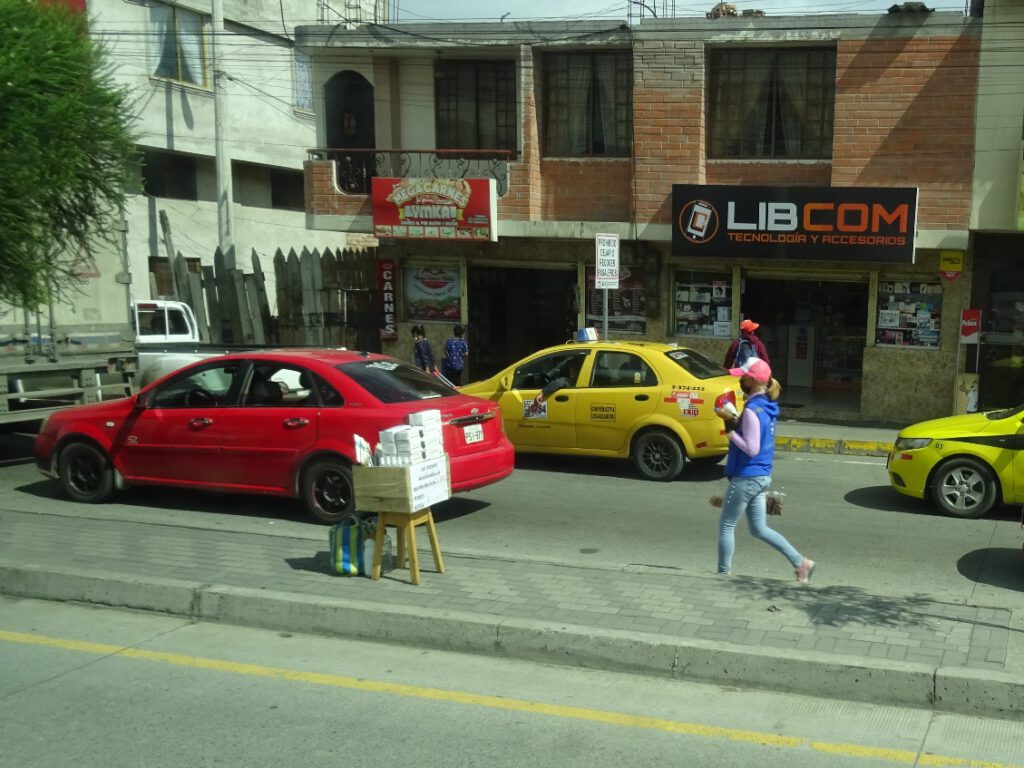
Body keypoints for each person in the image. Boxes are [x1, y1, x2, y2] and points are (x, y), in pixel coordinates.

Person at [713, 357, 815, 583]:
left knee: (726, 525)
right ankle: (801, 564)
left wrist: (730, 433)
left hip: (747, 476)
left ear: (752, 380)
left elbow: (751, 447)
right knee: (759, 528)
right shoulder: (767, 406)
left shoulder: (751, 409)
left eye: (743, 377)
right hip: (760, 476)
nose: (740, 380)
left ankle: (722, 575)